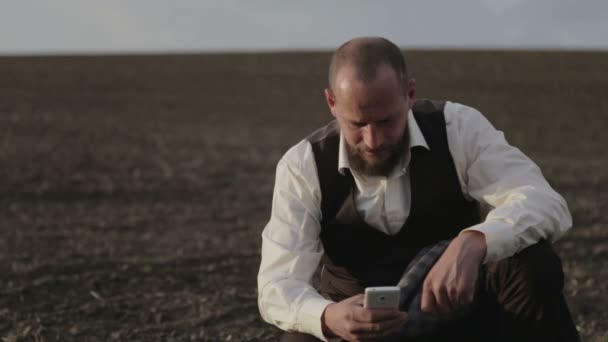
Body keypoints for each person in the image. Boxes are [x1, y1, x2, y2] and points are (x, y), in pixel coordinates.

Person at [257, 37, 580, 341]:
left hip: (462, 321)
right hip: (360, 335)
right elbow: (277, 284)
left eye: (386, 121)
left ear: (409, 95)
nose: (373, 141)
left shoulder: (458, 128)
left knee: (530, 262)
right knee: (300, 334)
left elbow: (543, 201)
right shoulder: (303, 166)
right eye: (357, 124)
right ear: (332, 102)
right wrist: (328, 316)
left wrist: (475, 242)